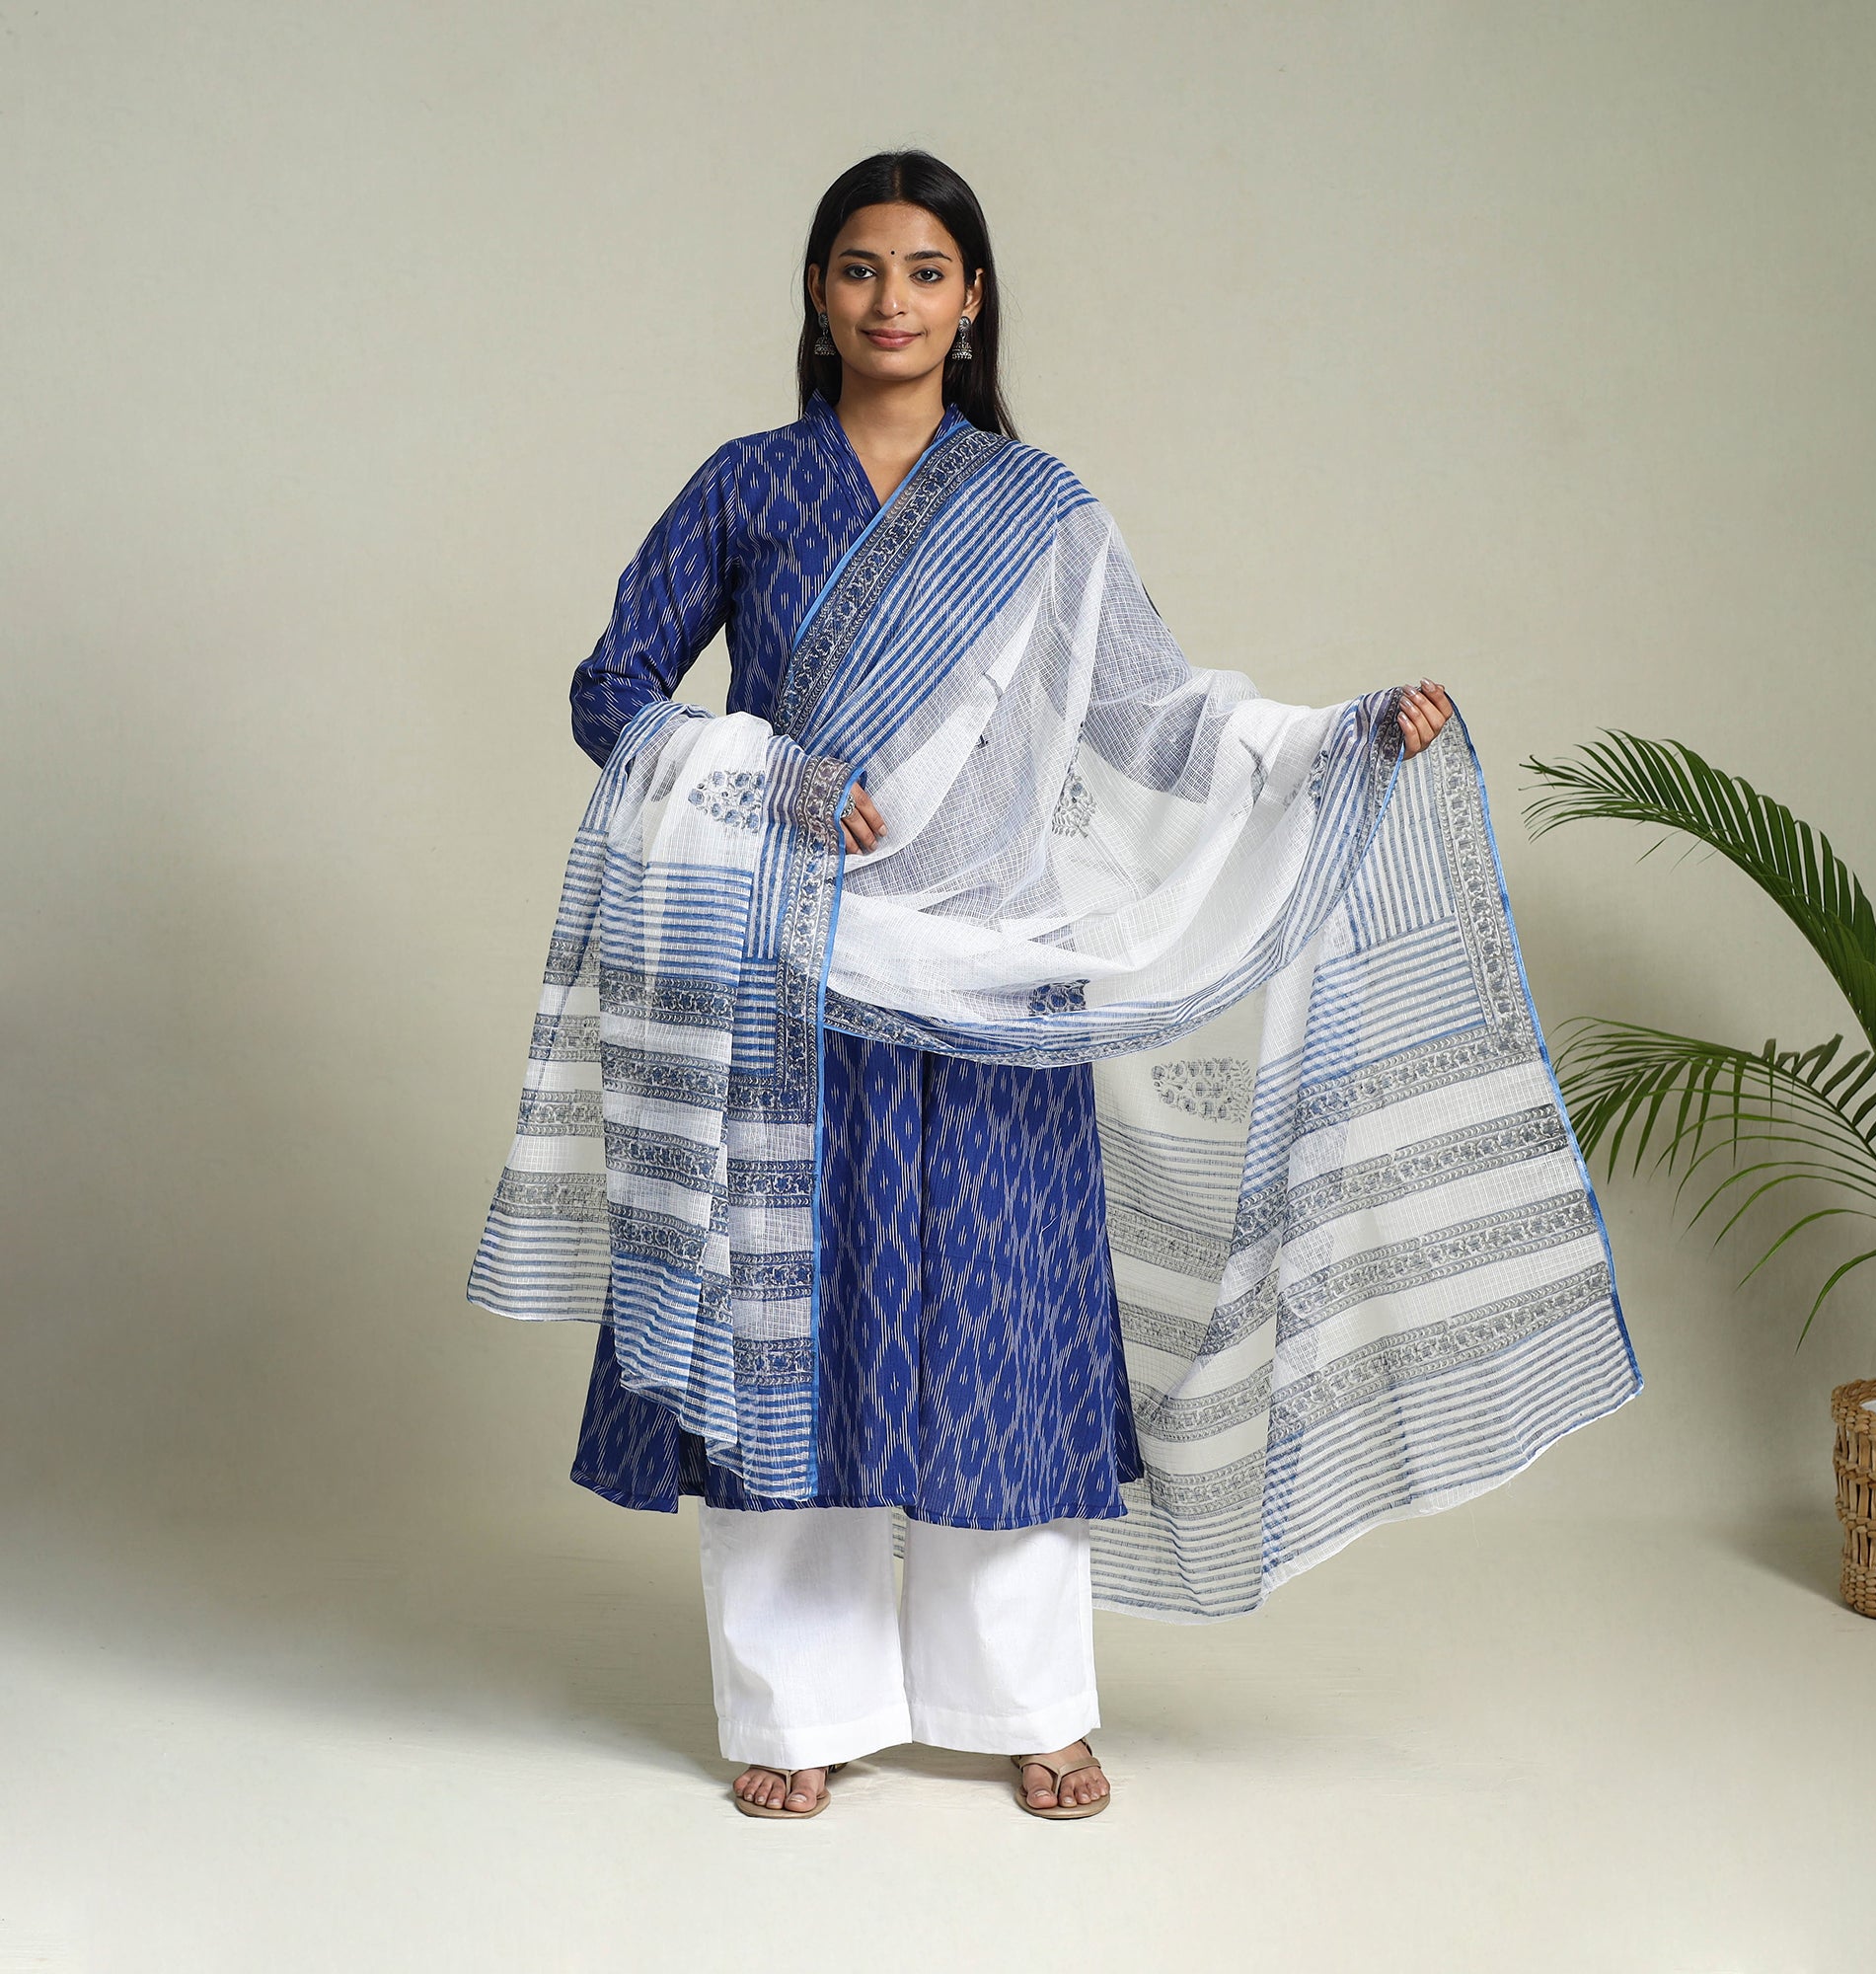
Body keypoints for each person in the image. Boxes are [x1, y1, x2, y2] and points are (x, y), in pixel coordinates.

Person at [469, 149, 1633, 1823]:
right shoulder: (746, 485)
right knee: (797, 1344)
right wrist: (767, 780)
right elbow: (612, 691)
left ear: (973, 300)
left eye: (924, 272)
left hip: (1000, 986)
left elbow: (1153, 717)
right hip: (795, 979)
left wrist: (1341, 740)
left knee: (1004, 1336)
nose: (890, 301)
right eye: (859, 269)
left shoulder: (1039, 511)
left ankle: (1024, 1704)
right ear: (817, 294)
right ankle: (796, 1712)